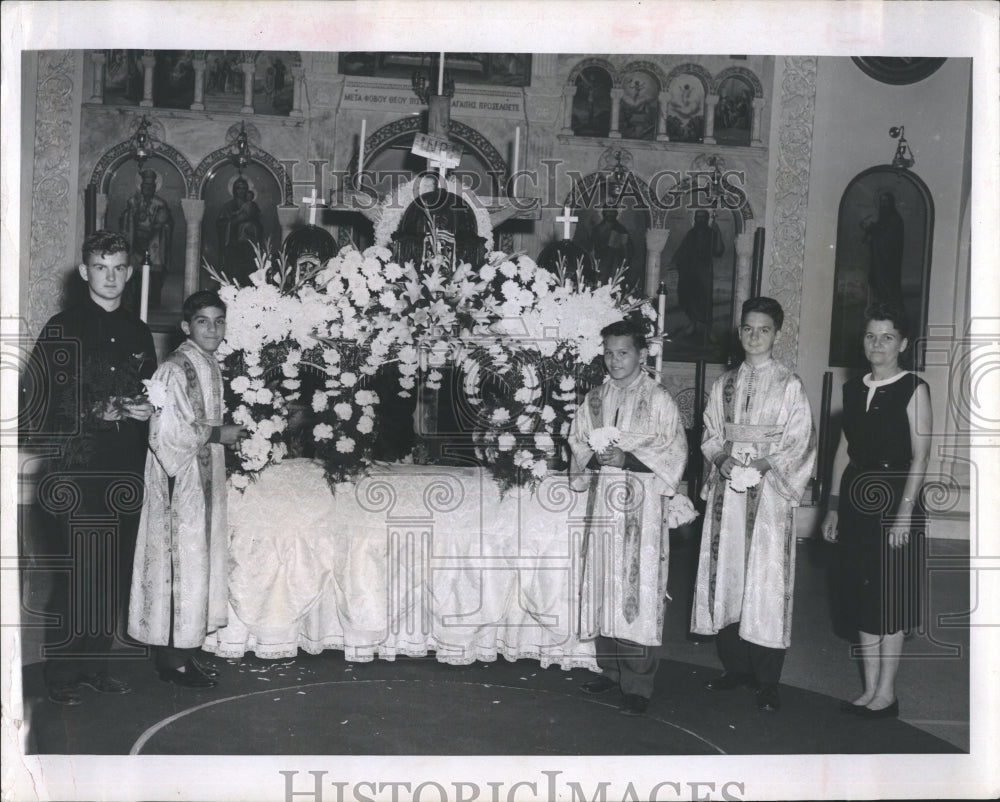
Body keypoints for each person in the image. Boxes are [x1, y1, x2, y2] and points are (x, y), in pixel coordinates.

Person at [21, 231, 156, 706]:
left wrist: (146, 410)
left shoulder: (139, 331)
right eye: (102, 267)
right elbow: (34, 404)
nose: (112, 276)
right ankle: (62, 673)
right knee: (78, 574)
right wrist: (91, 413)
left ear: (130, 270)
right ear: (84, 272)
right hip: (74, 473)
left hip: (125, 471)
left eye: (119, 267)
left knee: (114, 570)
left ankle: (97, 665)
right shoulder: (62, 326)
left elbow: (148, 394)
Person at [690, 297, 816, 712]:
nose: (754, 336)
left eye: (763, 329)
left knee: (765, 578)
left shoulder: (789, 384)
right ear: (739, 332)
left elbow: (799, 440)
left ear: (776, 333)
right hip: (729, 491)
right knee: (727, 573)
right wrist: (724, 460)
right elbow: (709, 433)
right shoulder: (722, 385)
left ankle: (767, 678)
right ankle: (735, 667)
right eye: (748, 328)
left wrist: (762, 465)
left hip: (769, 497)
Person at [568, 319, 688, 715]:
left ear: (641, 354)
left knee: (637, 586)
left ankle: (638, 681)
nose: (614, 360)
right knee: (604, 580)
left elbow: (673, 450)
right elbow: (578, 437)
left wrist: (628, 458)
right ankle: (610, 670)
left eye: (623, 353)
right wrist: (586, 459)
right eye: (608, 352)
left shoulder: (657, 399)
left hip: (642, 506)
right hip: (604, 503)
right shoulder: (596, 398)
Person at [128, 291, 244, 688]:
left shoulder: (208, 364)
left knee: (199, 563)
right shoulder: (174, 369)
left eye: (219, 321)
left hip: (203, 474)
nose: (212, 329)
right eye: (203, 321)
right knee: (181, 563)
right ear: (185, 326)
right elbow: (164, 433)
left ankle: (185, 652)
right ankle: (172, 660)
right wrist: (216, 433)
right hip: (180, 481)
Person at [821, 302, 930, 719]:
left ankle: (887, 692)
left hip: (895, 497)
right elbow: (844, 451)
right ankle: (868, 690)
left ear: (902, 343)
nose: (877, 343)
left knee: (891, 599)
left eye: (887, 337)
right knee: (862, 596)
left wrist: (904, 515)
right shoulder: (852, 389)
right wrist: (832, 507)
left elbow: (921, 457)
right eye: (870, 335)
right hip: (854, 499)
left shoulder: (913, 388)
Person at [119, 168, 173, 309]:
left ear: (154, 188)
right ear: (141, 187)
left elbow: (166, 222)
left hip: (154, 242)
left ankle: (154, 303)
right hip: (135, 242)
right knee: (135, 276)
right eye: (145, 186)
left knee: (155, 274)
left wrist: (160, 225)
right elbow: (126, 221)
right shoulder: (133, 201)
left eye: (150, 186)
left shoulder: (160, 203)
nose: (147, 189)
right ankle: (134, 303)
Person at [671, 210, 724, 341]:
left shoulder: (711, 233)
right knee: (689, 297)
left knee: (705, 298)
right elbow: (682, 249)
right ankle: (693, 323)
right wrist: (674, 261)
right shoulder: (691, 234)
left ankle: (709, 329)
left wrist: (718, 233)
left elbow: (718, 251)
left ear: (706, 219)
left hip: (704, 271)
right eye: (697, 218)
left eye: (702, 218)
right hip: (689, 271)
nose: (699, 220)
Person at [216, 176, 263, 286]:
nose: (241, 190)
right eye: (238, 188)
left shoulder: (253, 206)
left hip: (249, 246)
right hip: (233, 246)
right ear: (234, 190)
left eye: (243, 188)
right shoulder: (228, 206)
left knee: (249, 274)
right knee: (233, 273)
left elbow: (259, 225)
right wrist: (234, 222)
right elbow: (220, 224)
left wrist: (251, 226)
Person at [860, 191, 904, 308]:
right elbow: (879, 230)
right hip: (879, 257)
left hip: (888, 259)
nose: (883, 204)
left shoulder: (895, 218)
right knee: (877, 281)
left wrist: (872, 231)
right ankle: (881, 305)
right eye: (881, 201)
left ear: (891, 203)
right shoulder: (883, 218)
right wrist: (870, 230)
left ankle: (889, 306)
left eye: (886, 201)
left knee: (887, 283)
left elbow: (888, 238)